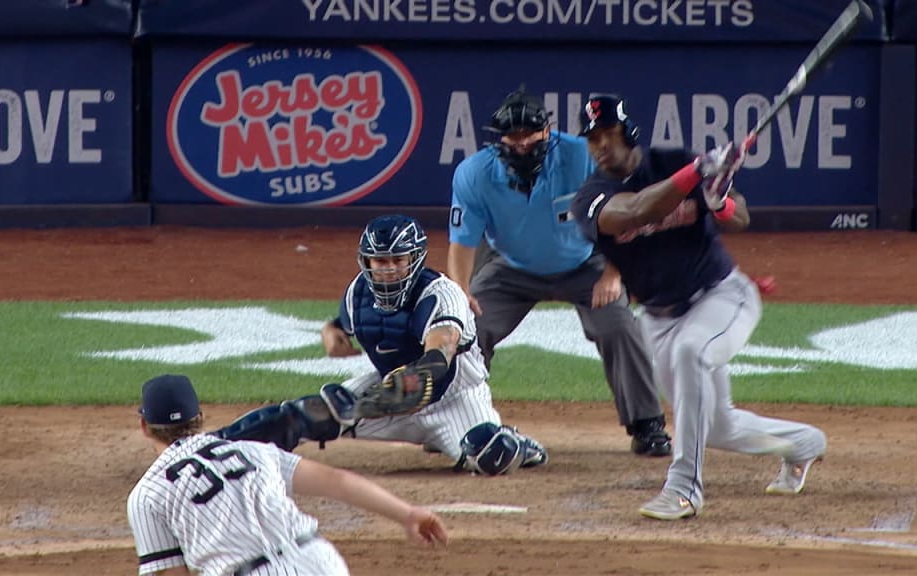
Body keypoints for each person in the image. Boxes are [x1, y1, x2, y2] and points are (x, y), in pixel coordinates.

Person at [570, 93, 827, 520]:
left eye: (608, 134)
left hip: (722, 297)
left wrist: (718, 196)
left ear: (628, 132)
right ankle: (805, 444)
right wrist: (696, 173)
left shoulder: (672, 159)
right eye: (592, 138)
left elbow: (739, 216)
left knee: (693, 352)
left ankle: (684, 488)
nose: (600, 146)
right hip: (658, 319)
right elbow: (632, 212)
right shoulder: (590, 198)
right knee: (716, 426)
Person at [215, 214, 548, 477]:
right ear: (367, 262)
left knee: (489, 453)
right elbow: (342, 322)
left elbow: (441, 352)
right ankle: (217, 445)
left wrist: (408, 386)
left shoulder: (442, 294)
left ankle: (517, 442)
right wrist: (329, 332)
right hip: (389, 391)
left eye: (397, 260)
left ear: (414, 259)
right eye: (380, 261)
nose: (388, 269)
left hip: (454, 399)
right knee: (312, 414)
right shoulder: (358, 291)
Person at [447, 86, 671, 456]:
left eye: (529, 134)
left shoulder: (581, 156)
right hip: (510, 266)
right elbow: (462, 243)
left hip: (586, 261)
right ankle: (458, 423)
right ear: (498, 138)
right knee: (468, 327)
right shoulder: (474, 174)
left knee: (617, 326)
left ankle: (646, 424)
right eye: (512, 135)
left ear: (547, 131)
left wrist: (613, 275)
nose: (520, 143)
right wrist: (461, 293)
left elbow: (628, 213)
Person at [127, 373, 448, 576]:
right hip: (320, 562)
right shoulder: (252, 450)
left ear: (144, 426)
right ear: (200, 417)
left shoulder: (147, 494)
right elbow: (337, 481)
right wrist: (407, 513)